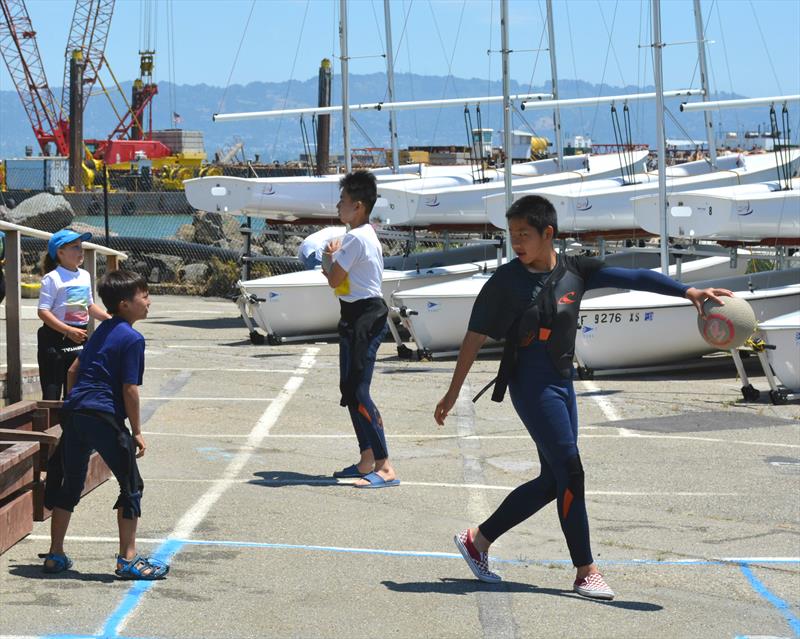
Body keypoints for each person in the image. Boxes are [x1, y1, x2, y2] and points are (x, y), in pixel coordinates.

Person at [434, 195, 731, 599]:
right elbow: (473, 337)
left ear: (547, 234)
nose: (517, 242)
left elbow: (634, 278)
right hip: (531, 385)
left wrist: (687, 291)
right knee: (571, 472)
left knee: (551, 481)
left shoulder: (576, 270)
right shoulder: (506, 281)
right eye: (512, 235)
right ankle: (585, 571)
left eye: (524, 234)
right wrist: (453, 392)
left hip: (561, 382)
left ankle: (477, 541)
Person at [41, 269, 169, 580]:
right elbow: (130, 389)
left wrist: (77, 404)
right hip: (103, 416)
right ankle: (128, 559)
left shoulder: (101, 330)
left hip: (77, 413)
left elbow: (73, 370)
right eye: (144, 296)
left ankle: (55, 554)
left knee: (71, 482)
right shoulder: (132, 338)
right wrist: (137, 431)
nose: (149, 302)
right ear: (125, 304)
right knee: (131, 485)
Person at [322, 171, 399, 488]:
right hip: (353, 315)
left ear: (358, 207)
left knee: (359, 391)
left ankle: (385, 465)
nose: (338, 206)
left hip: (366, 317)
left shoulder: (355, 238)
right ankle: (366, 458)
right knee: (349, 389)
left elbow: (334, 279)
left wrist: (327, 257)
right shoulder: (362, 234)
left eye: (342, 201)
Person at [37, 229, 111, 400]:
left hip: (79, 336)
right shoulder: (52, 278)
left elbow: (89, 305)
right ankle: (50, 424)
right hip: (55, 339)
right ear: (60, 253)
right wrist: (67, 330)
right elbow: (43, 311)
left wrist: (108, 319)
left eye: (81, 246)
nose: (81, 251)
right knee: (52, 389)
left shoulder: (84, 275)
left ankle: (70, 424)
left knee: (76, 388)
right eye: (75, 247)